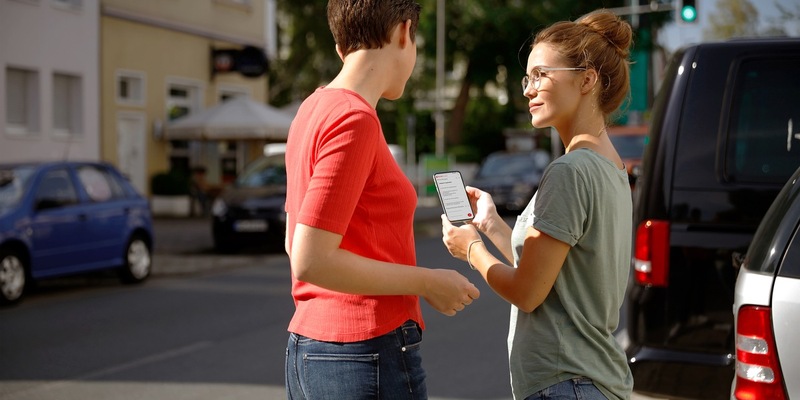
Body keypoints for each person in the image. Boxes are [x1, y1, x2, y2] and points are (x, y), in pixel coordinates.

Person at [283, 1, 481, 399]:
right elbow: (311, 258)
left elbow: (294, 243)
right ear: (404, 32)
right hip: (364, 350)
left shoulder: (312, 109)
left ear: (341, 45)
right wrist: (429, 281)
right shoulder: (354, 119)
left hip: (311, 347)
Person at [441, 9, 634, 400]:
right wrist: (492, 225)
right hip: (593, 380)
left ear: (586, 80)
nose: (528, 89)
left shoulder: (570, 171)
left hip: (567, 381)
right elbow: (554, 276)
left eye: (540, 75)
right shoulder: (611, 167)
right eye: (527, 77)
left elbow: (528, 292)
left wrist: (471, 249)